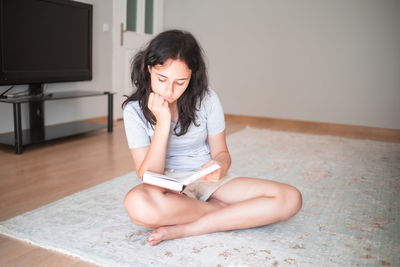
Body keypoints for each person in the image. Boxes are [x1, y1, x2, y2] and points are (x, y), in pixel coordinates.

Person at [122, 30, 302, 246]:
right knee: (137, 206)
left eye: (180, 82)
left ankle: (187, 228)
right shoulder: (133, 111)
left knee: (290, 198)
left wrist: (219, 166)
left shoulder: (206, 99)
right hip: (167, 189)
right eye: (162, 79)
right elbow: (149, 175)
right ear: (149, 69)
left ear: (192, 76)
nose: (169, 90)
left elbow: (222, 153)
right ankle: (220, 211)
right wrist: (162, 122)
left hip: (204, 178)